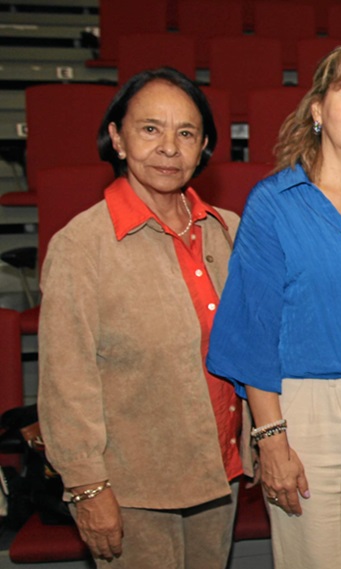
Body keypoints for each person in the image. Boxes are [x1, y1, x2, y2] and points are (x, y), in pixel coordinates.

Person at [206, 43, 341, 569]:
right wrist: (271, 438)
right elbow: (252, 331)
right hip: (309, 411)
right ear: (317, 109)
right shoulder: (275, 203)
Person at [38, 67, 244, 568]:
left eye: (187, 133)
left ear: (204, 148)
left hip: (220, 473)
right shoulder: (82, 245)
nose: (170, 147)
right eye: (151, 128)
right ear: (117, 138)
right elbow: (67, 381)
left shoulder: (227, 231)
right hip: (132, 490)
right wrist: (87, 488)